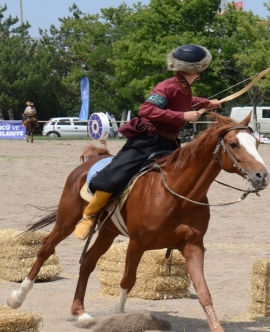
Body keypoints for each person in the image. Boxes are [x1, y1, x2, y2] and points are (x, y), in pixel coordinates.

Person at [73, 44, 221, 240]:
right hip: (147, 141)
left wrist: (207, 103)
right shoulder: (168, 86)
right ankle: (89, 215)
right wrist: (182, 116)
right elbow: (146, 110)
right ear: (199, 68)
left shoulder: (183, 87)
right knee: (116, 175)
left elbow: (185, 101)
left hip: (168, 143)